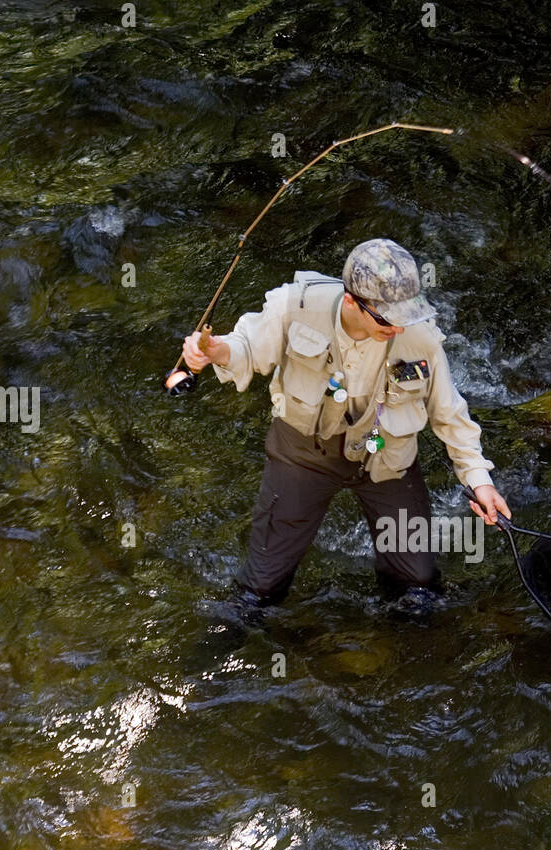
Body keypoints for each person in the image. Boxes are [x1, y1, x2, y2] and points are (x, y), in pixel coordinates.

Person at [182, 237, 510, 607]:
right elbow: (245, 347)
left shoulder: (421, 336)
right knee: (259, 590)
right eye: (388, 318)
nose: (399, 328)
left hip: (387, 459)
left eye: (406, 314)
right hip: (302, 456)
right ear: (352, 301)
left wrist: (479, 480)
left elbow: (449, 413)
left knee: (417, 587)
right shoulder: (295, 304)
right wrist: (213, 352)